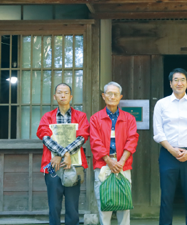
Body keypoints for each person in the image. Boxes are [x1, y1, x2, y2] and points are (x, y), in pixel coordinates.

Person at [153, 68, 187, 225]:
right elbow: (158, 131)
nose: (179, 83)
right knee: (167, 197)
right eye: (176, 80)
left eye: (182, 80)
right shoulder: (161, 104)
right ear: (170, 83)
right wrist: (171, 149)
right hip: (168, 154)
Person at [36, 83, 90, 225]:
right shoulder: (47, 117)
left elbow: (82, 137)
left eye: (66, 93)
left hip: (74, 165)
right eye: (59, 92)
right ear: (55, 96)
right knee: (54, 207)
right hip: (53, 166)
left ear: (71, 97)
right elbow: (45, 137)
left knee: (73, 208)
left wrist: (63, 153)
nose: (63, 95)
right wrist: (63, 153)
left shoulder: (81, 116)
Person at [90, 81, 139, 225]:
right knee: (104, 203)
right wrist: (108, 160)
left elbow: (132, 140)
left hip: (122, 164)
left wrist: (121, 161)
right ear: (103, 96)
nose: (112, 96)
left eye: (115, 94)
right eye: (109, 94)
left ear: (120, 97)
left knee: (124, 203)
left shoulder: (129, 118)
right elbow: (95, 141)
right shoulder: (95, 118)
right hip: (103, 164)